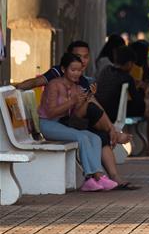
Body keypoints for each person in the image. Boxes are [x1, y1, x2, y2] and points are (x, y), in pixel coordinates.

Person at [38, 53, 118, 192]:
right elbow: (50, 113)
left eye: (79, 70)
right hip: (48, 125)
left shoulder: (77, 88)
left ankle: (98, 176)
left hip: (64, 124)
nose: (77, 74)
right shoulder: (53, 85)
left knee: (95, 137)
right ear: (63, 69)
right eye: (73, 70)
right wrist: (73, 101)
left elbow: (75, 115)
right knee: (82, 137)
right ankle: (89, 178)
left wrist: (88, 98)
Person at [14, 40, 95, 93]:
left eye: (86, 57)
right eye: (78, 56)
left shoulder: (85, 82)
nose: (83, 61)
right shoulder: (57, 72)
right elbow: (36, 82)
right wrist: (14, 89)